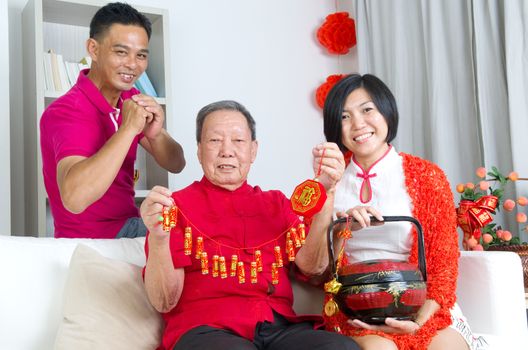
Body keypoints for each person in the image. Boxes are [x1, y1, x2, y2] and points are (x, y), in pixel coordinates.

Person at [140, 100, 359, 350]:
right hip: (208, 330)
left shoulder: (277, 203)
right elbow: (165, 302)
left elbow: (312, 267)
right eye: (214, 141)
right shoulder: (173, 207)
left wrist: (326, 192)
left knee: (340, 348)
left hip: (278, 327)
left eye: (238, 141)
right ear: (199, 150)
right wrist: (158, 238)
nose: (227, 150)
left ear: (253, 150)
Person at [302, 74, 486, 349]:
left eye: (367, 110)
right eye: (344, 117)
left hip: (422, 308)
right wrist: (341, 229)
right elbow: (314, 272)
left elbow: (443, 267)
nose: (358, 124)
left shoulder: (426, 176)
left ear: (387, 111)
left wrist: (418, 321)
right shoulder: (327, 182)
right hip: (355, 311)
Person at [40, 3, 185, 239]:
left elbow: (177, 163)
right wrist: (128, 129)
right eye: (121, 52)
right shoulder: (65, 111)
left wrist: (155, 134)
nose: (132, 64)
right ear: (93, 49)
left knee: (201, 228)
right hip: (91, 237)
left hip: (129, 224)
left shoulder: (131, 99)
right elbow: (74, 199)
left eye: (141, 55)